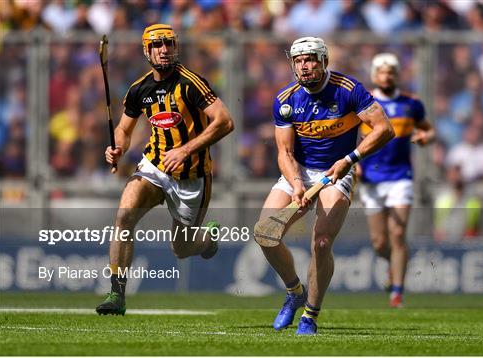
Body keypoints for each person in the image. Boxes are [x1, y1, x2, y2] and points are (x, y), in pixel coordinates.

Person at [256, 37, 394, 335]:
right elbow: (285, 153)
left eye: (310, 60)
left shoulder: (349, 90)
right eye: (298, 61)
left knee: (321, 242)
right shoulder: (285, 100)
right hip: (300, 171)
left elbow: (385, 129)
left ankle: (310, 316)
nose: (304, 66)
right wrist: (295, 185)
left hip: (337, 170)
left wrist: (350, 159)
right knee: (265, 233)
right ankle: (295, 291)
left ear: (323, 61)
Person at [95, 24, 234, 315]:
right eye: (157, 45)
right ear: (147, 51)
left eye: (169, 43)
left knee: (181, 249)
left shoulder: (191, 83)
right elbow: (124, 128)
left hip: (192, 176)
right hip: (154, 166)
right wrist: (117, 148)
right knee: (124, 215)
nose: (164, 49)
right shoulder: (140, 89)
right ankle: (116, 295)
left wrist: (185, 149)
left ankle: (207, 238)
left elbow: (224, 121)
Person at [356, 53, 435, 308]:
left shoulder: (411, 103)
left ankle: (397, 292)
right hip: (371, 178)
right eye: (382, 72)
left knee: (398, 233)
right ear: (374, 75)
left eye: (391, 72)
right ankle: (391, 264)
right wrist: (354, 164)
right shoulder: (364, 102)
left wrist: (425, 137)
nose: (386, 76)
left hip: (401, 176)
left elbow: (428, 129)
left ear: (397, 75)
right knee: (380, 242)